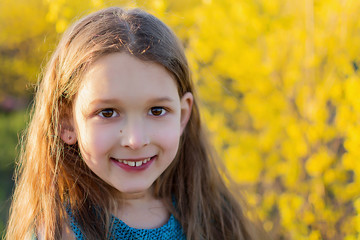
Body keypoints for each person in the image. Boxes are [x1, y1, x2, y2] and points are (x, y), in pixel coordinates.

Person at [5, 7, 268, 240]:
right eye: (108, 113)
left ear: (183, 114)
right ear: (67, 123)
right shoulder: (58, 232)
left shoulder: (213, 218)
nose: (135, 140)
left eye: (157, 110)